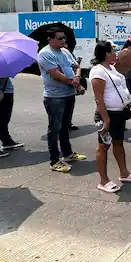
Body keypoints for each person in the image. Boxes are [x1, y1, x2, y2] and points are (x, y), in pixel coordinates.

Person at [90, 41, 131, 193]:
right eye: (113, 51)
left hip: (119, 114)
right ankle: (103, 180)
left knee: (118, 143)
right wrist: (105, 119)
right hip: (107, 114)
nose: (116, 53)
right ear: (106, 54)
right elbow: (99, 99)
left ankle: (124, 173)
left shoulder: (111, 68)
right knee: (103, 146)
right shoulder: (98, 72)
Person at [38, 28, 86, 173]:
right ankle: (54, 161)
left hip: (68, 94)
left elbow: (76, 66)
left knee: (65, 126)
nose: (63, 41)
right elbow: (55, 75)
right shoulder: (45, 54)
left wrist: (77, 77)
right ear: (50, 39)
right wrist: (76, 83)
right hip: (54, 97)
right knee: (55, 128)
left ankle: (67, 153)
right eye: (60, 38)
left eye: (64, 38)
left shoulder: (65, 51)